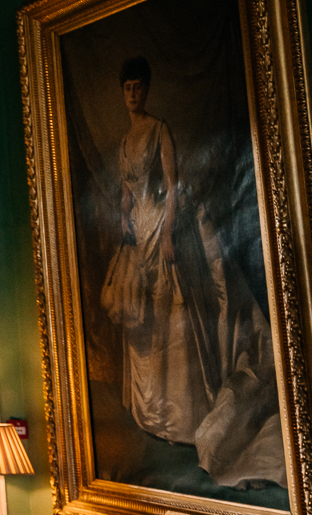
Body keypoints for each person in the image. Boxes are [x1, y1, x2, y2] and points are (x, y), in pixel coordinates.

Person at [100, 56, 282, 487]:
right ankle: (153, 418)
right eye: (127, 88)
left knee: (170, 318)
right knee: (143, 324)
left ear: (146, 90)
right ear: (122, 92)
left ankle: (181, 422)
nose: (133, 94)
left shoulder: (158, 129)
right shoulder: (125, 141)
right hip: (136, 234)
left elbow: (173, 186)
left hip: (162, 229)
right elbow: (128, 190)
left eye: (139, 87)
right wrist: (124, 216)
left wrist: (165, 236)